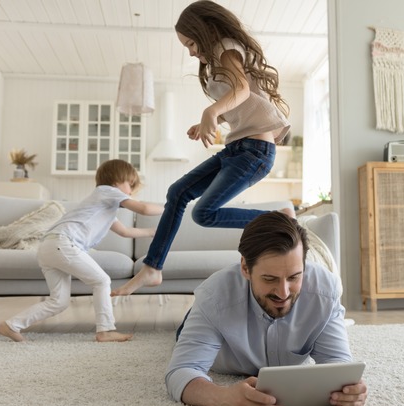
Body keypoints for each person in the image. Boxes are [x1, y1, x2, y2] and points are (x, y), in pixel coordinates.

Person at [111, 0, 292, 297]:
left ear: (205, 31)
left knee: (204, 212)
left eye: (191, 43)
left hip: (255, 151)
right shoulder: (216, 62)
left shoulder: (227, 47)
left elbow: (242, 91)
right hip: (238, 148)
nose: (192, 51)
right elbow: (242, 103)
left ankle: (279, 218)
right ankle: (152, 268)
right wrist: (211, 119)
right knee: (177, 192)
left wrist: (210, 113)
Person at [164, 212, 368, 406]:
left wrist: (347, 391)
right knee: (180, 337)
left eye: (294, 277)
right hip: (215, 320)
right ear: (245, 268)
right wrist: (221, 398)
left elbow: (337, 364)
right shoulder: (214, 298)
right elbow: (181, 371)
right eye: (270, 278)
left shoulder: (324, 291)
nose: (283, 293)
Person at [0, 159, 164, 343]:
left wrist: (151, 232)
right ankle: (105, 330)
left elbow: (125, 232)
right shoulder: (107, 191)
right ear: (117, 181)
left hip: (49, 247)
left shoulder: (103, 205)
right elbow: (144, 209)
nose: (131, 191)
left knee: (59, 302)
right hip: (63, 243)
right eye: (130, 185)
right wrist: (170, 207)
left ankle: (12, 324)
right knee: (101, 281)